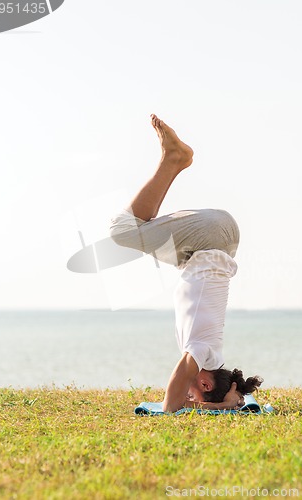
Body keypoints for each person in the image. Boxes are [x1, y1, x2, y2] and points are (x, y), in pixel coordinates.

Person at [110, 114, 263, 412]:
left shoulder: (211, 354)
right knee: (122, 231)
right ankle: (174, 159)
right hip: (210, 239)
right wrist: (208, 408)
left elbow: (185, 390)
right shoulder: (203, 354)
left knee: (137, 234)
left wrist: (220, 402)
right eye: (194, 397)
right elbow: (175, 393)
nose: (189, 399)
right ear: (205, 384)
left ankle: (174, 159)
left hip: (206, 246)